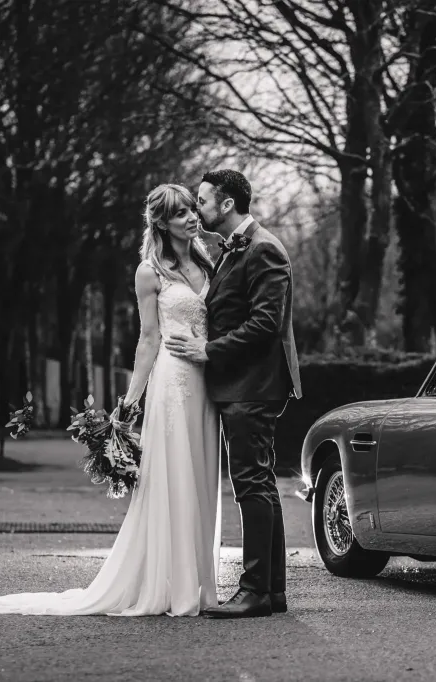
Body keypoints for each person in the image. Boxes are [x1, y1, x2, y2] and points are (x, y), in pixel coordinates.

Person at [0, 183, 222, 617]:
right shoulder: (149, 272)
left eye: (193, 209)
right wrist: (129, 403)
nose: (192, 218)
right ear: (161, 222)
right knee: (172, 480)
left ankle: (197, 582)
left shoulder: (211, 262)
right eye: (181, 214)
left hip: (208, 385)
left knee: (200, 477)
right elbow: (148, 339)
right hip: (173, 386)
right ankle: (169, 586)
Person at [164, 169, 301, 618]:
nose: (197, 208)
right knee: (258, 484)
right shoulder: (230, 250)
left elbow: (265, 324)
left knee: (251, 485)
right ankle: (270, 590)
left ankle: (255, 590)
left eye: (202, 201)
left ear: (225, 205)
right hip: (239, 387)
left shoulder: (263, 249)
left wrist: (208, 350)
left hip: (252, 387)